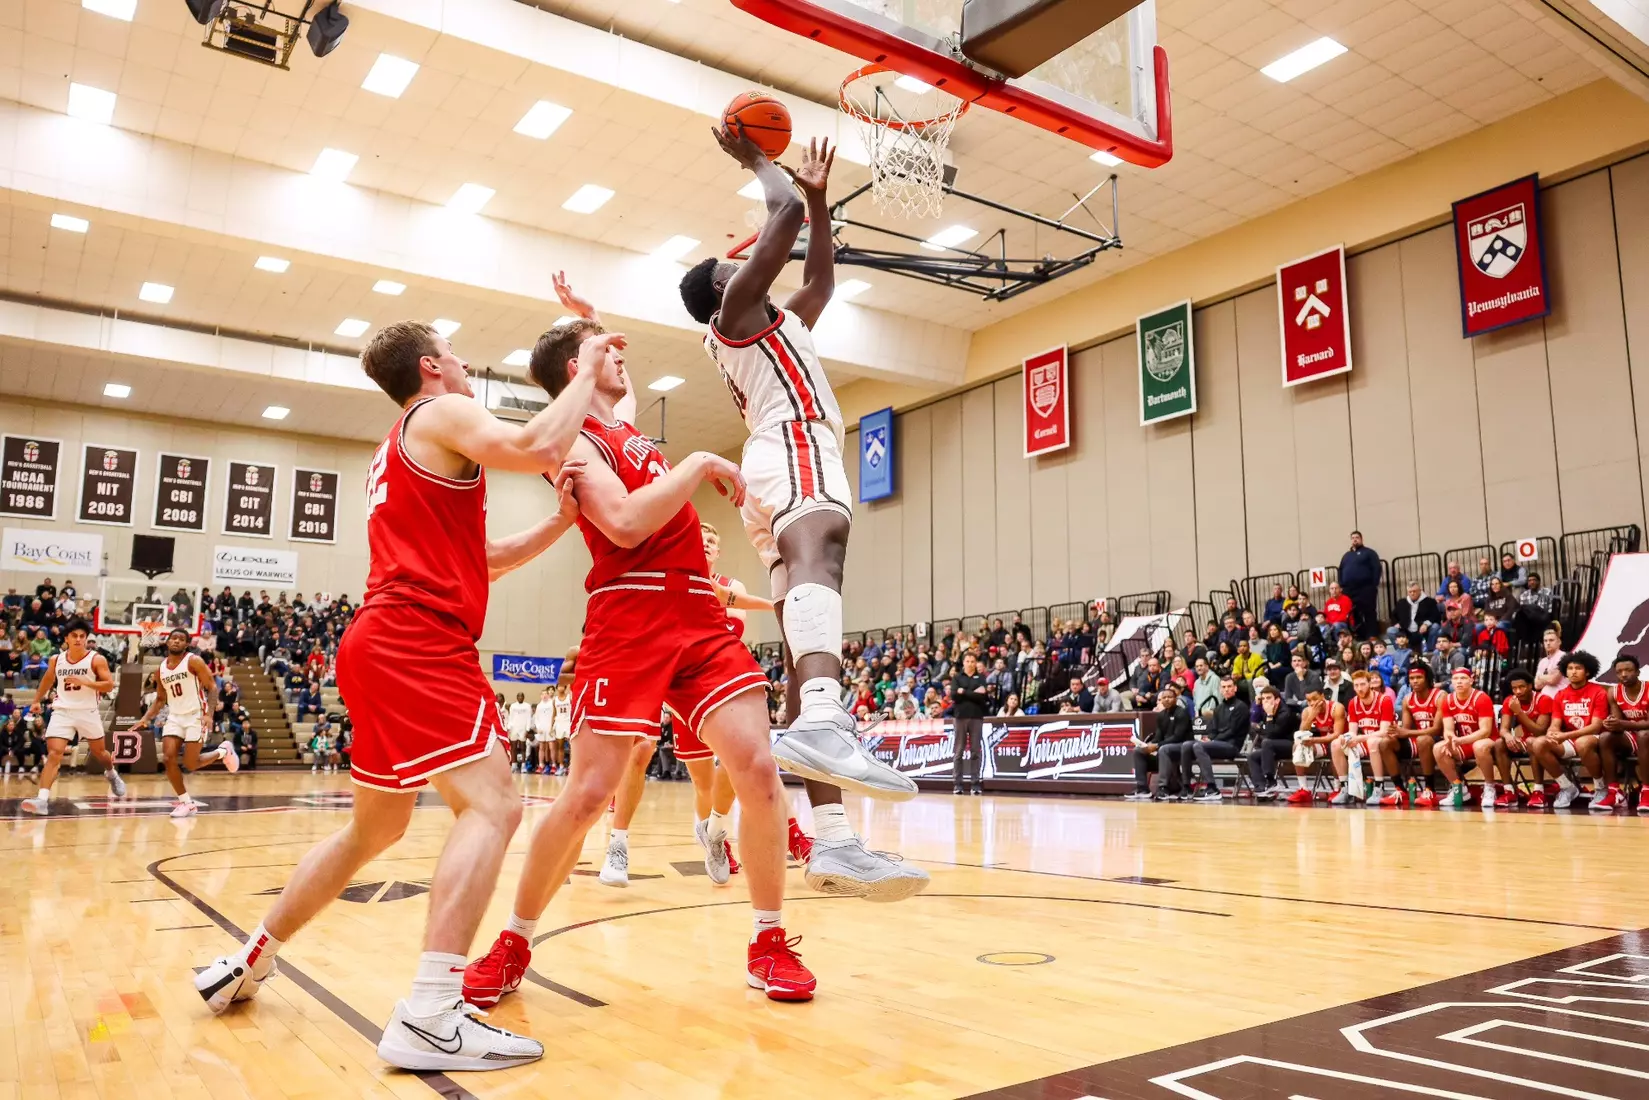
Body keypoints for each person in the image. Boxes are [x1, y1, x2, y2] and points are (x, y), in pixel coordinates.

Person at [194, 317, 600, 1072]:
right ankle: (433, 1013)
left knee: (370, 833)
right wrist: (583, 373)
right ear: (430, 366)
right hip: (417, 640)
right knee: (495, 805)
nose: (468, 359)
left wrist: (558, 524)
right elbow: (536, 447)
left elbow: (477, 559)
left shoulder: (402, 446)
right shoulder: (439, 411)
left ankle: (251, 954)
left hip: (378, 640)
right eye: (456, 350)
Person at [679, 130, 916, 810]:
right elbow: (778, 219)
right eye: (738, 268)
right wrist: (757, 161)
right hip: (791, 444)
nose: (752, 265)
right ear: (725, 291)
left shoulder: (775, 325)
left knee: (798, 640)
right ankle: (821, 716)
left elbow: (819, 279)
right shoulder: (733, 316)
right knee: (824, 560)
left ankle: (832, 838)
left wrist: (816, 198)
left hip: (775, 460)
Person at [21, 619, 124, 814]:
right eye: (74, 636)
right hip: (63, 711)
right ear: (66, 638)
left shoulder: (96, 659)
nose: (78, 639)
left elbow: (109, 685)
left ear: (86, 639)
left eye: (82, 636)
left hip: (88, 711)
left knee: (100, 753)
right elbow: (47, 680)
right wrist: (36, 700)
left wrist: (87, 682)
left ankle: (111, 773)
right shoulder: (56, 660)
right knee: (54, 754)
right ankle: (42, 800)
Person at [132, 627, 237, 818]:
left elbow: (212, 688)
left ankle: (223, 751)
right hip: (175, 716)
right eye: (174, 638)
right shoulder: (161, 669)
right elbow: (160, 700)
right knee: (168, 758)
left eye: (181, 639)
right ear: (167, 641)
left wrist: (209, 714)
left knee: (191, 764)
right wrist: (145, 718)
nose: (177, 641)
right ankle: (186, 803)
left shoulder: (194, 661)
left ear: (187, 644)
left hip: (196, 715)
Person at [1526, 650, 1607, 810]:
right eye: (1570, 668)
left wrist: (1565, 735)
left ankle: (1600, 788)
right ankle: (1567, 787)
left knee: (1583, 743)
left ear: (1588, 671)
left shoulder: (1599, 692)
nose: (1573, 672)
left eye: (1578, 668)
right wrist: (1552, 732)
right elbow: (1555, 722)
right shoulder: (1561, 695)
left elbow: (1596, 726)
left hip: (1594, 738)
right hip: (1570, 739)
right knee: (1539, 743)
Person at [1434, 667, 1499, 810]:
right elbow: (1448, 730)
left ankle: (1489, 788)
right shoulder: (1448, 700)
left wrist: (1460, 741)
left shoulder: (1481, 698)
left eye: (1463, 678)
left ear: (1471, 680)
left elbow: (1485, 731)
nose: (1459, 682)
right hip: (1464, 742)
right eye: (1456, 679)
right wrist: (1450, 740)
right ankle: (1459, 788)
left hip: (1490, 740)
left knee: (1479, 746)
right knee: (1439, 748)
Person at [1330, 670, 1396, 806]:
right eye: (1356, 685)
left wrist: (1359, 738)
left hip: (1385, 740)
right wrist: (1346, 737)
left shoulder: (1385, 700)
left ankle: (1379, 787)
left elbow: (1384, 732)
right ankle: (1345, 788)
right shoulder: (1353, 703)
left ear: (1370, 684)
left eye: (1362, 684)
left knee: (1372, 742)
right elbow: (1353, 732)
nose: (1359, 688)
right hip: (1365, 740)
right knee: (1336, 744)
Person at [1595, 654, 1649, 814]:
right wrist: (1611, 724)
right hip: (1633, 736)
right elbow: (1618, 722)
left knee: (1644, 735)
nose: (1624, 674)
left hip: (1646, 736)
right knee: (1605, 737)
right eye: (1619, 672)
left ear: (1638, 672)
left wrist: (1623, 724)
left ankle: (1646, 791)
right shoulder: (1613, 692)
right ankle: (1615, 792)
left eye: (1628, 670)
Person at [1186, 676, 1249, 802]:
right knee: (1187, 745)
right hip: (1217, 745)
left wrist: (1212, 741)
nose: (1226, 690)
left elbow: (1232, 731)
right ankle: (1186, 785)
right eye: (1224, 687)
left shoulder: (1241, 707)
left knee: (1198, 746)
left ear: (1235, 688)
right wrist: (1208, 738)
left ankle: (1212, 788)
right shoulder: (1219, 708)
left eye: (1229, 686)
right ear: (1220, 690)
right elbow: (1213, 729)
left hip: (1232, 746)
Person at [1126, 682, 1192, 801]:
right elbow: (1158, 736)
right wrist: (1148, 745)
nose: (1166, 700)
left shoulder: (1182, 713)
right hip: (1164, 749)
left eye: (1169, 697)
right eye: (1163, 698)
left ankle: (1163, 788)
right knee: (1138, 751)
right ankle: (1142, 788)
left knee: (1163, 749)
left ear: (1176, 699)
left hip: (1182, 748)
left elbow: (1178, 737)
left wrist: (1157, 746)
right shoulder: (1161, 715)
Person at [1501, 667, 1555, 807]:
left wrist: (1519, 712)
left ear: (1530, 686)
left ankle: (1539, 791)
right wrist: (1508, 736)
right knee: (1498, 744)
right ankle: (1509, 790)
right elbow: (1503, 729)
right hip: (1526, 740)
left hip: (1546, 742)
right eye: (1514, 688)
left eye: (1522, 687)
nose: (1518, 691)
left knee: (1533, 741)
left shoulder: (1544, 699)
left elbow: (1540, 731)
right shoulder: (1510, 701)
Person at [1393, 664, 1444, 807]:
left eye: (1418, 677)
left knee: (1423, 740)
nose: (1414, 681)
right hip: (1419, 739)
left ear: (1427, 679)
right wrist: (1394, 731)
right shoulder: (1407, 699)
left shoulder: (1440, 696)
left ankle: (1430, 789)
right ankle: (1399, 788)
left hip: (1439, 739)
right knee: (1385, 742)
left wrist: (1407, 732)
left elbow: (1437, 729)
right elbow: (1406, 729)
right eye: (1411, 678)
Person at [1285, 688, 1347, 804]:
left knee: (1334, 747)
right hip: (1323, 742)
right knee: (1297, 746)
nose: (1312, 703)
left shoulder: (1337, 708)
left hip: (1342, 742)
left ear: (1322, 696)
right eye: (1309, 700)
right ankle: (1304, 789)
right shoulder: (1307, 711)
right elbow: (1301, 733)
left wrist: (1314, 740)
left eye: (1315, 699)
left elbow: (1337, 734)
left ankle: (1337, 788)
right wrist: (1311, 716)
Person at [1248, 684, 1300, 800]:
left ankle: (1271, 781)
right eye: (1263, 699)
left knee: (1267, 742)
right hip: (1273, 747)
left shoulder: (1285, 713)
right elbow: (1257, 726)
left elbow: (1271, 735)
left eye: (1268, 698)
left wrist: (1270, 716)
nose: (1265, 701)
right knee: (1253, 756)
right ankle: (1261, 788)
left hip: (1292, 745)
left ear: (1277, 700)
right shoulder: (1266, 711)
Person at [950, 651, 989, 795]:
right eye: (968, 661)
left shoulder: (981, 678)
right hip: (960, 717)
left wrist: (964, 692)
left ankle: (975, 784)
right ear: (964, 662)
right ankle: (957, 784)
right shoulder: (957, 677)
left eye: (973, 661)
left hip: (976, 717)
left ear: (976, 663)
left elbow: (982, 697)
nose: (970, 663)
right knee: (959, 752)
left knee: (975, 752)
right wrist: (973, 693)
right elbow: (954, 696)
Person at [1338, 532, 1381, 638]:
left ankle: (1372, 635)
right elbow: (1340, 570)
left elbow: (1377, 568)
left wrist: (1373, 584)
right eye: (1352, 538)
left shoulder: (1369, 553)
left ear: (1361, 539)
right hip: (1349, 589)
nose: (1355, 540)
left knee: (1369, 612)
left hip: (1365, 588)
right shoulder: (1346, 556)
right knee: (1353, 613)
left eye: (1357, 537)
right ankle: (1360, 635)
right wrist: (1341, 584)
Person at [506, 691, 534, 772]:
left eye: (522, 696)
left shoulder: (527, 706)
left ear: (524, 697)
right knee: (513, 747)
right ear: (517, 697)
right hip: (514, 728)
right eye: (519, 696)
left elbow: (529, 718)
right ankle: (514, 765)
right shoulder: (513, 706)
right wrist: (509, 728)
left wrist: (527, 729)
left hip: (523, 728)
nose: (520, 697)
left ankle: (523, 765)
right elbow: (511, 718)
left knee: (523, 748)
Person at [532, 687, 555, 773]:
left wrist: (552, 727)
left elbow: (554, 716)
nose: (544, 695)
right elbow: (536, 718)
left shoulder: (552, 704)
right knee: (541, 747)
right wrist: (538, 728)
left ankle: (553, 765)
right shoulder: (539, 706)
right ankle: (541, 765)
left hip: (550, 729)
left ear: (548, 695)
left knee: (551, 747)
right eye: (542, 694)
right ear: (540, 696)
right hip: (542, 729)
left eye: (546, 694)